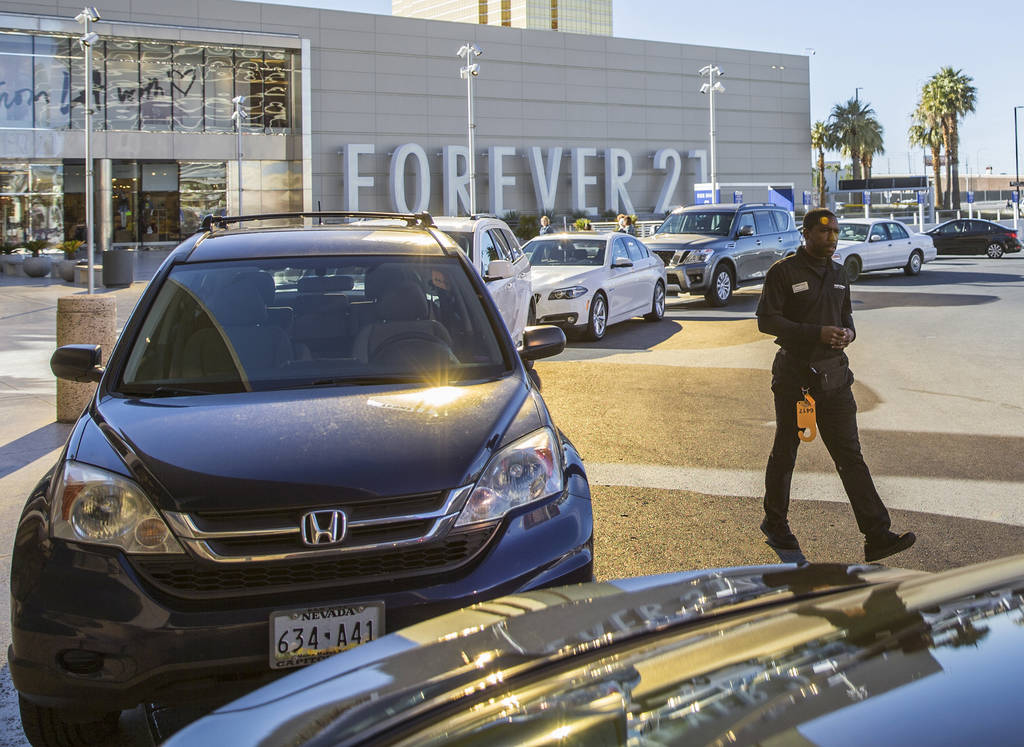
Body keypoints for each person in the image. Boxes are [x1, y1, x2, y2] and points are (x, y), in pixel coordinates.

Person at [755, 207, 915, 563]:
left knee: (850, 456)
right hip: (796, 381)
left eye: (836, 232)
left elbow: (847, 319)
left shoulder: (840, 273)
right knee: (786, 451)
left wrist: (848, 334)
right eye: (824, 232)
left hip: (836, 380)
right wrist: (816, 333)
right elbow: (766, 321)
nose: (832, 238)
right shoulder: (783, 272)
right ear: (806, 233)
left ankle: (876, 536)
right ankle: (775, 523)